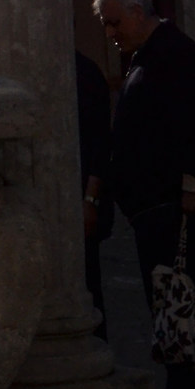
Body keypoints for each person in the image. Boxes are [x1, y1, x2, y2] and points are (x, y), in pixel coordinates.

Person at [94, 0, 195, 389]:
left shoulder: (175, 54)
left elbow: (193, 128)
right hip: (152, 203)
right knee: (166, 298)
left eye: (113, 23)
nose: (110, 34)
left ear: (136, 11)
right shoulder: (147, 56)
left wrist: (192, 186)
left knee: (178, 297)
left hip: (171, 203)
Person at [76, 47, 115, 333]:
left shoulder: (85, 74)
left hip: (81, 199)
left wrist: (90, 199)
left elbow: (100, 145)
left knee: (87, 282)